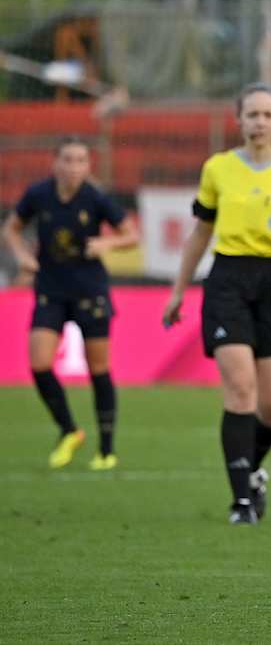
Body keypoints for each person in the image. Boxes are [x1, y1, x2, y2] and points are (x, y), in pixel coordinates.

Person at [162, 82, 271, 525]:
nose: (260, 122)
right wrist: (178, 291)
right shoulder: (217, 169)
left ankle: (249, 473)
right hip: (227, 279)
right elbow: (200, 234)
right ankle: (242, 503)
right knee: (241, 391)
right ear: (238, 120)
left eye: (268, 114)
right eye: (252, 114)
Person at [3, 137, 139, 470]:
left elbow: (131, 235)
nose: (74, 166)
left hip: (90, 291)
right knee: (38, 363)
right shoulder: (39, 194)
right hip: (50, 288)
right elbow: (12, 228)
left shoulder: (95, 198)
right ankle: (69, 430)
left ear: (88, 166)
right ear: (55, 163)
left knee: (99, 369)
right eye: (68, 159)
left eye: (80, 160)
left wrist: (106, 243)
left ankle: (106, 449)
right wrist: (22, 256)